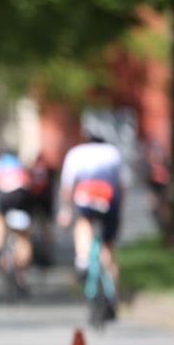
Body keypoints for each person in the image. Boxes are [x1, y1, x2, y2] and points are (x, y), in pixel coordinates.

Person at [58, 130, 124, 316]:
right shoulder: (113, 152)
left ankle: (83, 259)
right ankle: (113, 295)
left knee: (84, 223)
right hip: (109, 197)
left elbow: (67, 187)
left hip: (86, 193)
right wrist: (119, 212)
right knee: (109, 247)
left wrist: (66, 210)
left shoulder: (76, 153)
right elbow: (122, 185)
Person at [0, 147, 33, 286]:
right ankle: (22, 268)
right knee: (23, 235)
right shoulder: (20, 163)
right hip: (23, 194)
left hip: (4, 194)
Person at [29, 151, 57, 268]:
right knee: (46, 228)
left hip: (34, 201)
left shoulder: (32, 169)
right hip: (46, 202)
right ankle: (47, 253)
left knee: (31, 227)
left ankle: (30, 253)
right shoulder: (50, 169)